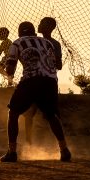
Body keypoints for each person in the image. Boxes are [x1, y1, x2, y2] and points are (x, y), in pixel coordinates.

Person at [0, 21, 71, 162]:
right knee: (51, 115)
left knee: (13, 113)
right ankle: (64, 150)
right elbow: (55, 64)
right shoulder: (47, 43)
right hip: (51, 81)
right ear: (33, 32)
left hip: (31, 80)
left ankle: (12, 152)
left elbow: (10, 70)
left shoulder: (17, 43)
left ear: (20, 32)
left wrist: (7, 71)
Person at [24, 17, 63, 145]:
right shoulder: (39, 41)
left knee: (46, 115)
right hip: (44, 81)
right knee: (33, 113)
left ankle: (57, 144)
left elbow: (59, 65)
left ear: (49, 27)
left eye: (42, 23)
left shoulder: (51, 44)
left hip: (43, 81)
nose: (39, 25)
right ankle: (30, 142)